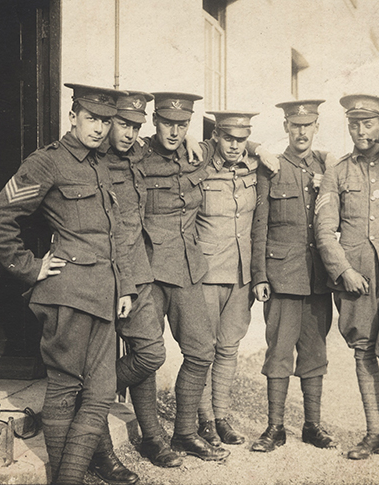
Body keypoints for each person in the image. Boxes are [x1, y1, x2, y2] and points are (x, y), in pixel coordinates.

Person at [0, 84, 139, 485]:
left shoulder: (99, 162)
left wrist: (124, 287)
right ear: (73, 117)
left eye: (106, 121)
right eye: (92, 119)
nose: (101, 128)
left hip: (103, 293)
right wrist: (29, 267)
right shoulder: (47, 163)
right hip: (68, 294)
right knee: (66, 388)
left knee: (101, 391)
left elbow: (112, 232)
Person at [314, 95, 379, 467]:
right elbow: (325, 230)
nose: (361, 131)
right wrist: (343, 270)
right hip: (354, 278)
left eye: (368, 123)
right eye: (355, 124)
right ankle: (375, 432)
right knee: (363, 351)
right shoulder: (338, 172)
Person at [139, 92, 230, 462]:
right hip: (146, 272)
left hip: (187, 268)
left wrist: (261, 147)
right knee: (146, 356)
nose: (174, 132)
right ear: (154, 121)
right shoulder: (137, 155)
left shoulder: (197, 152)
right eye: (167, 123)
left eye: (182, 125)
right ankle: (151, 438)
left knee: (201, 351)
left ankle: (184, 432)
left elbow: (228, 138)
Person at [250, 99, 335, 452]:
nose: (302, 132)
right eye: (295, 125)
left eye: (308, 125)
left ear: (316, 127)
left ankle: (312, 426)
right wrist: (260, 276)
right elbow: (260, 225)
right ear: (286, 127)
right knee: (279, 352)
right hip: (282, 275)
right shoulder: (271, 166)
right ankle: (275, 427)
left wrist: (327, 181)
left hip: (317, 278)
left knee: (315, 352)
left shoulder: (329, 168)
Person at [105, 90, 183, 469]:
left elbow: (191, 147)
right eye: (122, 123)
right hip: (100, 278)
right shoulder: (92, 160)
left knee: (149, 353)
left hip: (137, 276)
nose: (129, 133)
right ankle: (105, 445)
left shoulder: (140, 154)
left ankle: (151, 437)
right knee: (101, 360)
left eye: (136, 126)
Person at [194, 111, 261, 447]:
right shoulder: (199, 165)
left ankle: (222, 415)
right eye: (228, 138)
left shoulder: (255, 166)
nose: (235, 146)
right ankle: (204, 419)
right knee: (204, 349)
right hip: (206, 273)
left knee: (229, 347)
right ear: (216, 136)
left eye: (241, 139)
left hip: (240, 273)